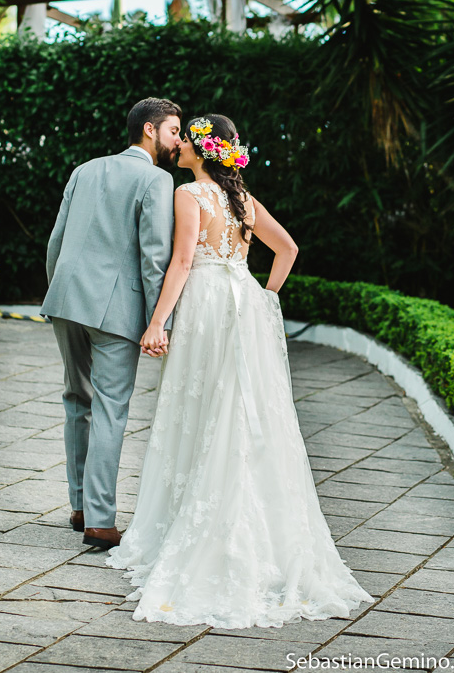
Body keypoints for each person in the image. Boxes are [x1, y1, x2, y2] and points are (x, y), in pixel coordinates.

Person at [105, 113, 375, 629]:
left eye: (187, 139)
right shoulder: (244, 200)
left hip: (205, 305)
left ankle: (203, 531)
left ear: (203, 151)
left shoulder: (190, 195)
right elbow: (288, 249)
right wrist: (265, 298)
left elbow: (182, 262)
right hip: (244, 303)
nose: (179, 144)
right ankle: (263, 537)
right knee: (245, 412)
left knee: (201, 407)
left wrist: (156, 323)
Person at [40, 97, 182, 550]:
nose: (178, 141)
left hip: (66, 300)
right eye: (174, 131)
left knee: (76, 399)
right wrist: (160, 321)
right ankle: (100, 521)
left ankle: (80, 505)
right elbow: (155, 255)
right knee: (109, 409)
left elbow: (56, 240)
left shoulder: (85, 169)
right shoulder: (156, 179)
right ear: (149, 130)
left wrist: (57, 292)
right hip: (117, 311)